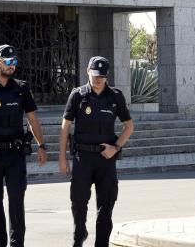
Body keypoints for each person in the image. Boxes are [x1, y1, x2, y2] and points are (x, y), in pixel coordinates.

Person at [0, 44, 48, 247]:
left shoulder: (22, 88)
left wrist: (41, 145)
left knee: (16, 203)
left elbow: (32, 119)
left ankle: (16, 244)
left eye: (15, 62)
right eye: (8, 62)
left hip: (15, 155)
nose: (12, 66)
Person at [58, 56, 135, 247]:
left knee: (105, 206)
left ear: (106, 75)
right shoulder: (78, 95)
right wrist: (61, 157)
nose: (97, 79)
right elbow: (65, 126)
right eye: (94, 75)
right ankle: (79, 234)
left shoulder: (115, 96)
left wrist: (116, 147)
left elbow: (129, 126)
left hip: (105, 159)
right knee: (78, 202)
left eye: (101, 76)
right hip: (82, 158)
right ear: (87, 72)